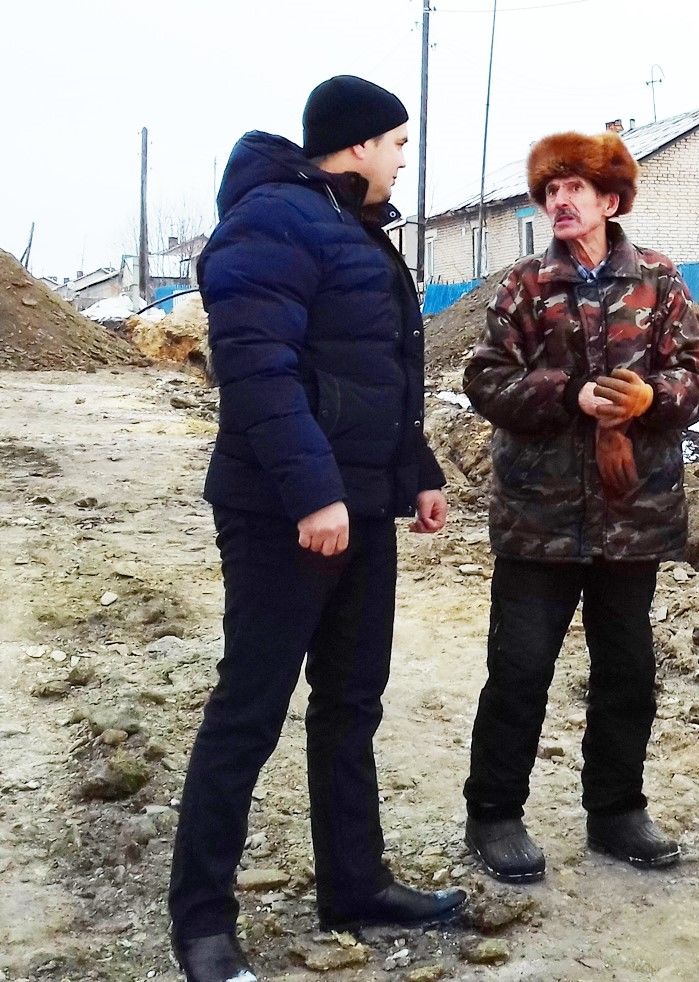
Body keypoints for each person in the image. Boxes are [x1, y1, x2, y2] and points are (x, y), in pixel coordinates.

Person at [169, 76, 465, 982]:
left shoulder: (354, 230)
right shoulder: (273, 220)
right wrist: (311, 495)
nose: (403, 159)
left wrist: (413, 475)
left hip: (360, 508)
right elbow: (257, 370)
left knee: (350, 703)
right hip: (280, 515)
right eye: (398, 143)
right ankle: (203, 922)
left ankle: (356, 883)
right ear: (360, 143)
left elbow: (376, 370)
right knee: (250, 707)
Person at [461, 130, 699, 883]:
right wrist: (562, 393)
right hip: (538, 516)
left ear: (609, 200)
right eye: (549, 191)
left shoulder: (661, 283)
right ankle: (495, 814)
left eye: (573, 189)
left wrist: (652, 398)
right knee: (519, 667)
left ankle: (616, 811)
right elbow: (483, 379)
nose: (559, 202)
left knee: (627, 669)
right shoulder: (524, 287)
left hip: (630, 512)